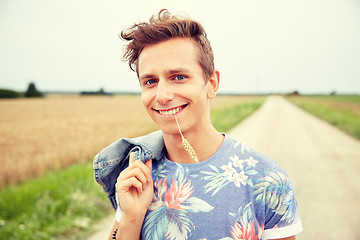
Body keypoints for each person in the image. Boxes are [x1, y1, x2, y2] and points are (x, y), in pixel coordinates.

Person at [94, 9, 303, 240]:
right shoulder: (137, 173)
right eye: (150, 81)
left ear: (211, 83)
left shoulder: (268, 180)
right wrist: (132, 218)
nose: (162, 95)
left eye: (178, 77)